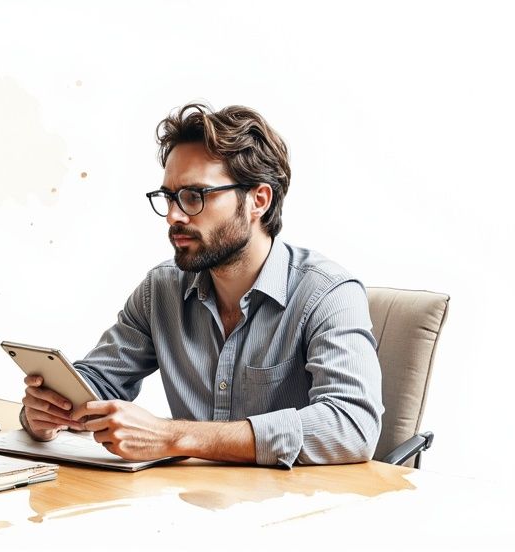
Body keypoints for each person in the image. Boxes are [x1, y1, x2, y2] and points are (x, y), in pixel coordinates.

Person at [20, 103, 383, 468]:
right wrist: (50, 409)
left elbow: (352, 426)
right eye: (169, 197)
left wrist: (174, 436)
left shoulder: (329, 294)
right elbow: (101, 380)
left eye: (195, 196)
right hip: (185, 506)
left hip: (294, 509)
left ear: (258, 200)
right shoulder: (161, 289)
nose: (175, 215)